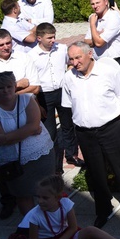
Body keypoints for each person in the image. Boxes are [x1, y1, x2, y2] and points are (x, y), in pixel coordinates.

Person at [62, 42, 120, 229]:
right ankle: (103, 209)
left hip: (111, 128)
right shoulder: (68, 78)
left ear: (90, 54)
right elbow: (68, 106)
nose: (75, 63)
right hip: (85, 132)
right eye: (71, 59)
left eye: (78, 58)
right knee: (96, 172)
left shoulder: (109, 72)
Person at [0, 28, 41, 218]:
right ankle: (8, 200)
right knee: (4, 159)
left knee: (32, 153)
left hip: (27, 109)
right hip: (1, 116)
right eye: (0, 45)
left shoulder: (24, 57)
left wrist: (6, 92)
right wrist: (18, 85)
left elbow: (35, 87)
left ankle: (36, 196)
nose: (6, 47)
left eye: (8, 43)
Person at [0, 71, 54, 215]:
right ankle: (31, 228)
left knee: (49, 192)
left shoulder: (28, 99)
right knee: (23, 196)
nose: (5, 91)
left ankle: (53, 226)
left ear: (15, 86)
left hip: (41, 155)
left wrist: (8, 137)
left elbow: (33, 126)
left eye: (9, 87)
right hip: (14, 162)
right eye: (1, 88)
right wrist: (29, 130)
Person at [26, 175, 120, 239]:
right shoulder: (35, 215)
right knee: (90, 230)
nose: (40, 201)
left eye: (45, 197)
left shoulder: (65, 204)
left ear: (57, 197)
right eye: (38, 197)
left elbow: (73, 228)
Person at [29, 23, 83, 175]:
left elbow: (71, 63)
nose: (53, 40)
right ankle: (55, 164)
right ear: (39, 38)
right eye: (49, 38)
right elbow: (32, 82)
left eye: (54, 37)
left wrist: (69, 74)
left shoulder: (61, 49)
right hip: (44, 95)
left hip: (62, 92)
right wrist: (37, 104)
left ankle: (72, 155)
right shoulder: (31, 56)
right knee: (50, 131)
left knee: (68, 125)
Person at [84, 0, 120, 71]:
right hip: (98, 62)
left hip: (114, 62)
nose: (95, 6)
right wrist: (97, 36)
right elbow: (86, 41)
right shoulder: (94, 18)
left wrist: (93, 26)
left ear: (106, 2)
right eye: (93, 4)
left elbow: (99, 43)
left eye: (98, 3)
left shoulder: (113, 18)